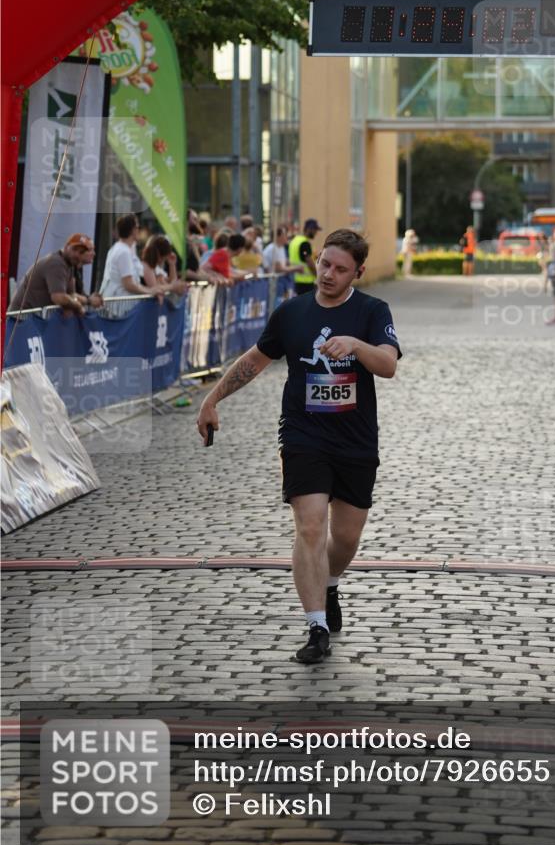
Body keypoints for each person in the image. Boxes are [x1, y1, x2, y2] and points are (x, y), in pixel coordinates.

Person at [196, 229, 401, 664]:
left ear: (357, 273)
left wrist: (357, 346)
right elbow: (254, 360)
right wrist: (212, 399)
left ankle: (329, 585)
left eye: (339, 268)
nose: (327, 273)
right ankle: (316, 627)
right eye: (324, 263)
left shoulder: (371, 311)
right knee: (310, 528)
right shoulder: (291, 312)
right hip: (303, 435)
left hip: (355, 440)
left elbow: (387, 366)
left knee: (345, 537)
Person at [9, 233, 103, 315]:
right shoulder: (56, 263)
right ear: (66, 247)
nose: (78, 254)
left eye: (81, 252)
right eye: (75, 249)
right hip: (20, 321)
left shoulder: (69, 265)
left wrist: (86, 301)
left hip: (34, 320)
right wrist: (79, 306)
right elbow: (59, 298)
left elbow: (72, 295)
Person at [99, 214, 164, 301]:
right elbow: (129, 284)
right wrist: (150, 291)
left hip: (119, 306)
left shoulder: (119, 248)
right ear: (133, 230)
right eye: (137, 227)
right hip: (119, 308)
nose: (139, 230)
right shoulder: (123, 252)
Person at [288, 219, 322, 294]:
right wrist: (318, 277)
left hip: (295, 280)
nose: (316, 233)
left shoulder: (295, 241)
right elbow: (310, 263)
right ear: (309, 229)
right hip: (305, 282)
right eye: (315, 230)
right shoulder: (304, 243)